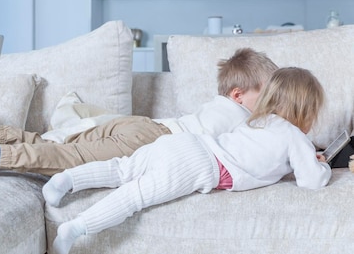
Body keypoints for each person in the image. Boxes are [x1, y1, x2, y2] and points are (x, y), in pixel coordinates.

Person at [43, 67, 331, 254]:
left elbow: (262, 159)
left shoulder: (257, 121)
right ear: (305, 111)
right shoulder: (294, 136)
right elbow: (312, 181)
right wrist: (322, 164)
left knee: (122, 169)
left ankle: (67, 179)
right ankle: (76, 229)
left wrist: (303, 158)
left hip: (184, 141)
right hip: (199, 165)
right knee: (134, 197)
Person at [0, 48, 278, 177]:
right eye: (268, 98)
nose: (273, 107)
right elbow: (263, 150)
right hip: (151, 140)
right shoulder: (239, 117)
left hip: (140, 127)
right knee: (75, 158)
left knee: (67, 145)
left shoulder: (219, 104)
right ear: (238, 95)